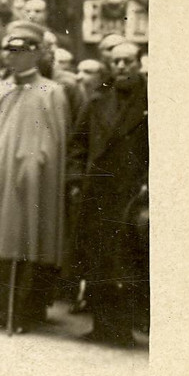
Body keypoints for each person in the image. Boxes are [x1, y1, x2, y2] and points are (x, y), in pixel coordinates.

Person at [0, 20, 70, 334]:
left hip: (30, 177)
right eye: (8, 50)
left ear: (35, 53)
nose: (11, 57)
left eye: (19, 50)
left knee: (25, 242)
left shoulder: (52, 92)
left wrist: (36, 164)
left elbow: (52, 139)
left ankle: (22, 310)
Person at [67, 41, 148, 345]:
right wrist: (75, 179)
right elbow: (78, 145)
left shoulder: (152, 101)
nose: (123, 67)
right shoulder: (97, 100)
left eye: (128, 61)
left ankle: (123, 329)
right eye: (117, 62)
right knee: (98, 259)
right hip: (97, 192)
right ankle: (101, 327)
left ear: (139, 63)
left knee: (127, 262)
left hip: (132, 194)